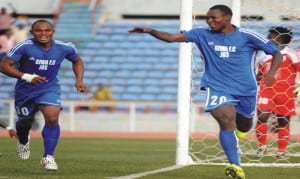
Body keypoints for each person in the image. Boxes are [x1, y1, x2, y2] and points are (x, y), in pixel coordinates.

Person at [128, 4, 283, 179]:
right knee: (226, 121)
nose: (209, 21)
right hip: (217, 87)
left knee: (244, 125)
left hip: (246, 89)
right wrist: (149, 30)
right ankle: (235, 165)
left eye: (213, 18)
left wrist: (271, 72)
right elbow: (172, 38)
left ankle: (241, 132)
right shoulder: (201, 34)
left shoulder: (247, 36)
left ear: (227, 18)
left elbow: (277, 53)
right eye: (207, 18)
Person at [0, 19, 87, 171]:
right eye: (38, 31)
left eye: (47, 30)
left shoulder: (64, 47)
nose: (43, 34)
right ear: (32, 33)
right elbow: (4, 65)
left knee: (52, 116)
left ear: (53, 32)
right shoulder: (24, 47)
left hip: (49, 87)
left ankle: (48, 157)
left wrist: (79, 80)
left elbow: (77, 61)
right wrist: (26, 76)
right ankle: (23, 141)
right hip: (25, 90)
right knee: (24, 123)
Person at [255, 26, 300, 159]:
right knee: (262, 116)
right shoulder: (264, 55)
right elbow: (259, 74)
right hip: (266, 90)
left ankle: (281, 151)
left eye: (271, 36)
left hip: (285, 91)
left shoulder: (292, 54)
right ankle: (262, 146)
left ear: (279, 39)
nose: (268, 38)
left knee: (283, 121)